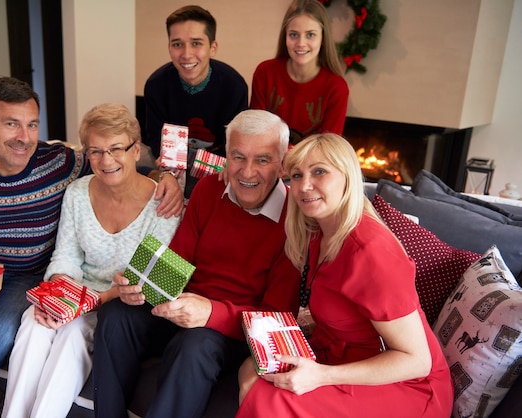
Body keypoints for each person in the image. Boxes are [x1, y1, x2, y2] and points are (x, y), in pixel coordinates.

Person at [0, 77, 183, 418]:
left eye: (32, 125)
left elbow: (120, 168)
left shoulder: (61, 162)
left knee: (26, 331)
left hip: (62, 286)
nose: (24, 137)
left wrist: (165, 175)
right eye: (11, 124)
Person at [92, 109, 301, 418]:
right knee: (116, 315)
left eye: (262, 160)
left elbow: (276, 318)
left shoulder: (295, 218)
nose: (247, 172)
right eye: (238, 157)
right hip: (183, 308)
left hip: (236, 331)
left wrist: (211, 313)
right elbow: (178, 257)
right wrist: (141, 285)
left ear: (282, 164)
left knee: (195, 344)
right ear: (226, 155)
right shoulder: (208, 190)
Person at [236, 134, 454, 417]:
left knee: (269, 398)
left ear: (348, 178)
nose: (304, 186)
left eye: (320, 172)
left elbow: (416, 361)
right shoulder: (318, 232)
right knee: (252, 370)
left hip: (406, 385)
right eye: (298, 174)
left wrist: (321, 375)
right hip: (340, 356)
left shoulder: (370, 251)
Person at [1, 103, 180, 418]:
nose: (106, 160)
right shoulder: (77, 193)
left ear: (136, 150)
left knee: (72, 334)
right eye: (95, 151)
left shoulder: (162, 204)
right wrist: (58, 298)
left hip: (117, 304)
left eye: (115, 149)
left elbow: (144, 278)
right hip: (73, 294)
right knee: (34, 322)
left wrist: (90, 303)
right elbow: (66, 256)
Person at [143, 4, 249, 197]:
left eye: (196, 43)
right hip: (171, 164)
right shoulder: (156, 85)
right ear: (169, 48)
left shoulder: (233, 86)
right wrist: (165, 161)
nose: (186, 54)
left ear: (213, 48)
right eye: (177, 44)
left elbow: (236, 142)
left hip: (217, 165)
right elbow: (154, 136)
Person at [250, 0, 349, 144]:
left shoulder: (337, 88)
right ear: (285, 37)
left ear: (323, 39)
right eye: (294, 35)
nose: (301, 43)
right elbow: (255, 132)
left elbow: (328, 148)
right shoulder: (265, 73)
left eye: (310, 35)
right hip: (267, 159)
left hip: (310, 164)